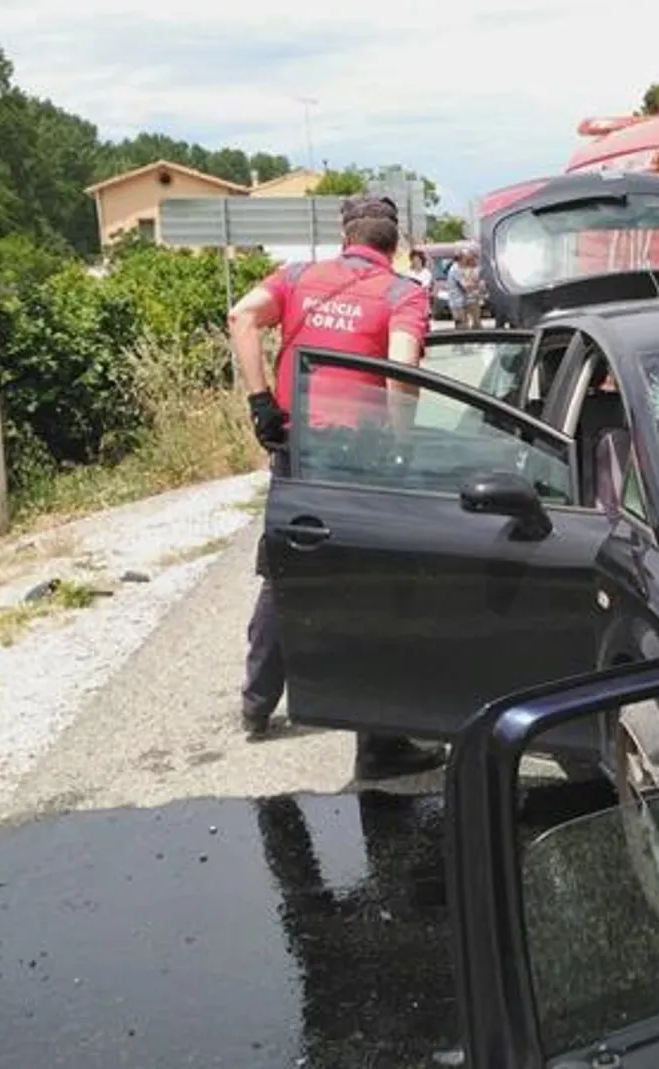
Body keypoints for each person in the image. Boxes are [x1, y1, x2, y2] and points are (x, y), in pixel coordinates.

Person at [225, 193, 447, 778]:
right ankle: (379, 744)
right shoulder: (403, 293)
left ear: (345, 236)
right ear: (394, 243)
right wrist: (402, 443)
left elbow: (241, 316)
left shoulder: (298, 276)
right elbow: (402, 376)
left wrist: (259, 404)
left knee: (284, 569)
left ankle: (256, 703)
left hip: (297, 446)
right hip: (360, 454)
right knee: (372, 585)